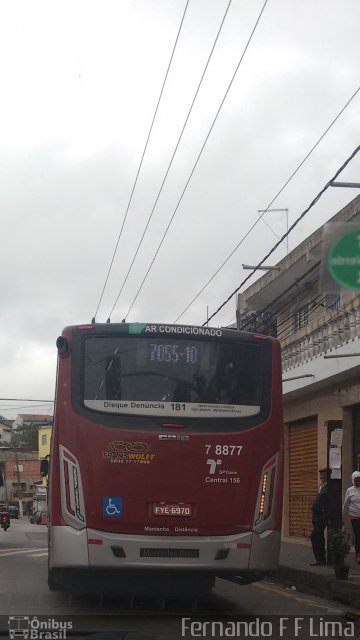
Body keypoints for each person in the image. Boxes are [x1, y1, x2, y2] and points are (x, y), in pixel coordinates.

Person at [310, 468, 332, 566]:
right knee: (318, 537)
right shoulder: (321, 486)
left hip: (322, 516)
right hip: (315, 515)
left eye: (324, 474)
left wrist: (326, 513)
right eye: (321, 474)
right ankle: (320, 558)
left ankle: (320, 559)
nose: (322, 476)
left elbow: (330, 502)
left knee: (315, 536)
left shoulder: (329, 487)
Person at [342, 471, 360, 563]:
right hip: (354, 516)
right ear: (353, 480)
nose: (358, 482)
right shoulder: (350, 490)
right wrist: (343, 517)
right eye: (356, 480)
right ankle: (358, 554)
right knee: (358, 535)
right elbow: (346, 504)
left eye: (359, 480)